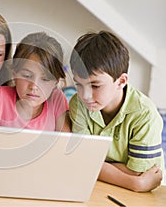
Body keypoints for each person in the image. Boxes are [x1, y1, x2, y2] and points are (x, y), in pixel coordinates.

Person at [69, 30, 164, 192]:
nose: (85, 95)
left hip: (142, 196)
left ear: (121, 81)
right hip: (97, 187)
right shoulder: (78, 104)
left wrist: (95, 165)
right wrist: (134, 183)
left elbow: (139, 173)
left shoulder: (145, 114)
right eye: (79, 84)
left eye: (95, 86)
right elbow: (81, 160)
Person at [0, 32, 72, 150]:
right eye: (27, 76)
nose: (34, 86)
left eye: (45, 79)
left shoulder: (57, 100)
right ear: (14, 73)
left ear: (55, 82)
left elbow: (65, 147)